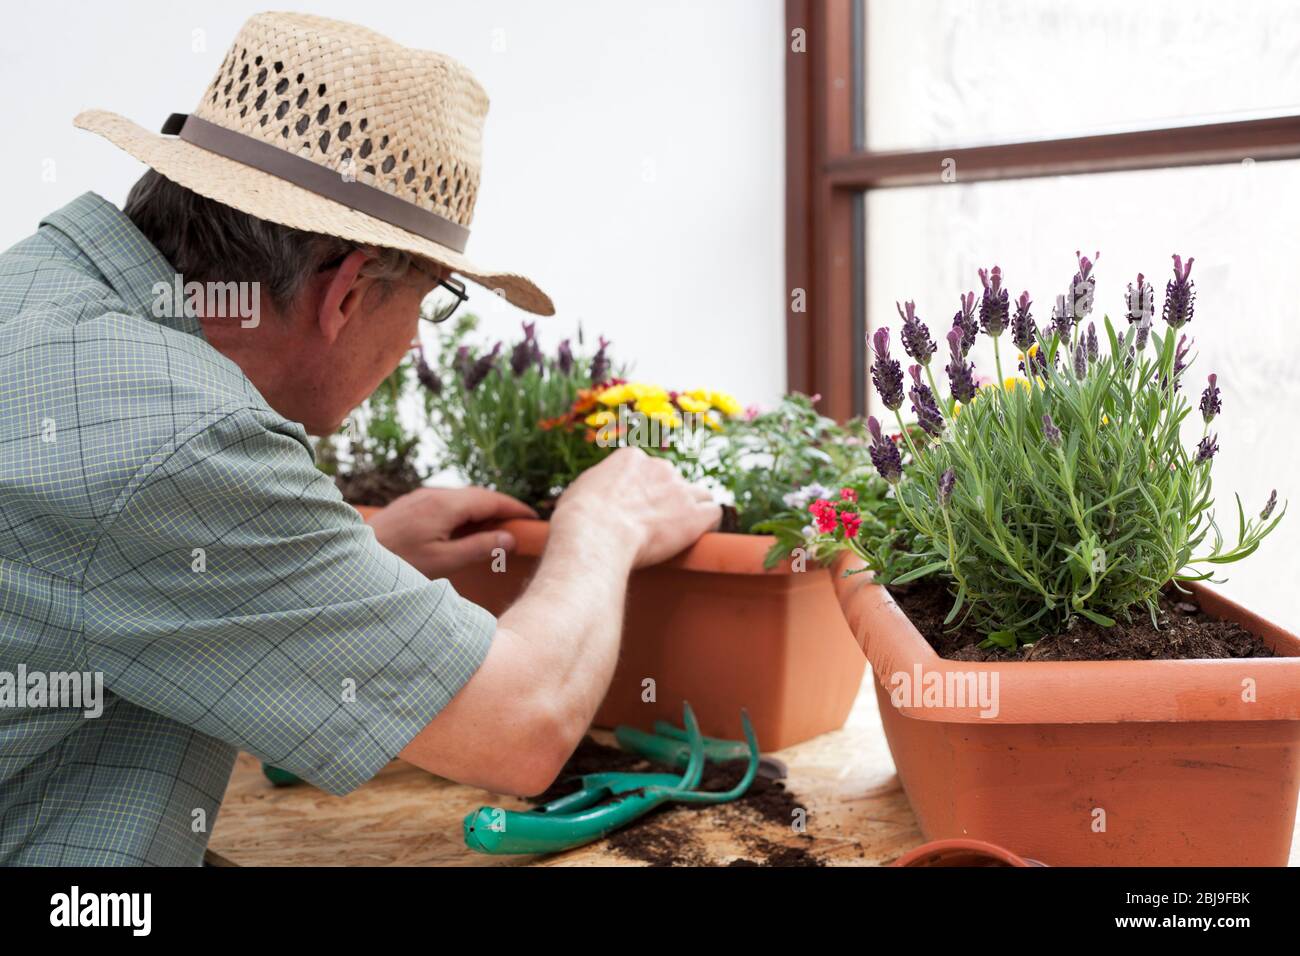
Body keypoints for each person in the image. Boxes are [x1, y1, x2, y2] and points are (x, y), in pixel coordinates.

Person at [0, 11, 718, 865]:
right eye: (430, 302)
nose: (417, 341)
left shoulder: (41, 291)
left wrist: (366, 550)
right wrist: (601, 530)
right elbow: (524, 729)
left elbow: (102, 557)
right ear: (346, 294)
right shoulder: (182, 438)